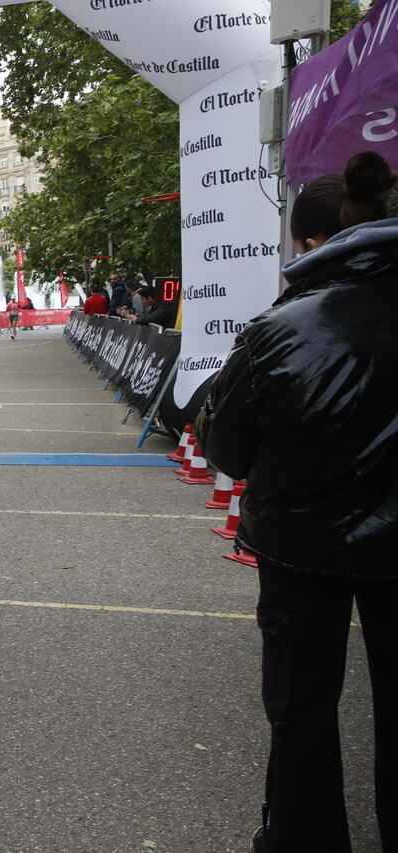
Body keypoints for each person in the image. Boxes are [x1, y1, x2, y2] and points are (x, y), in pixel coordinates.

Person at [196, 150, 398, 853]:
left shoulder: (279, 328)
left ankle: (305, 838)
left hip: (300, 546)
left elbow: (225, 448)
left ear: (309, 243)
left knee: (302, 707)